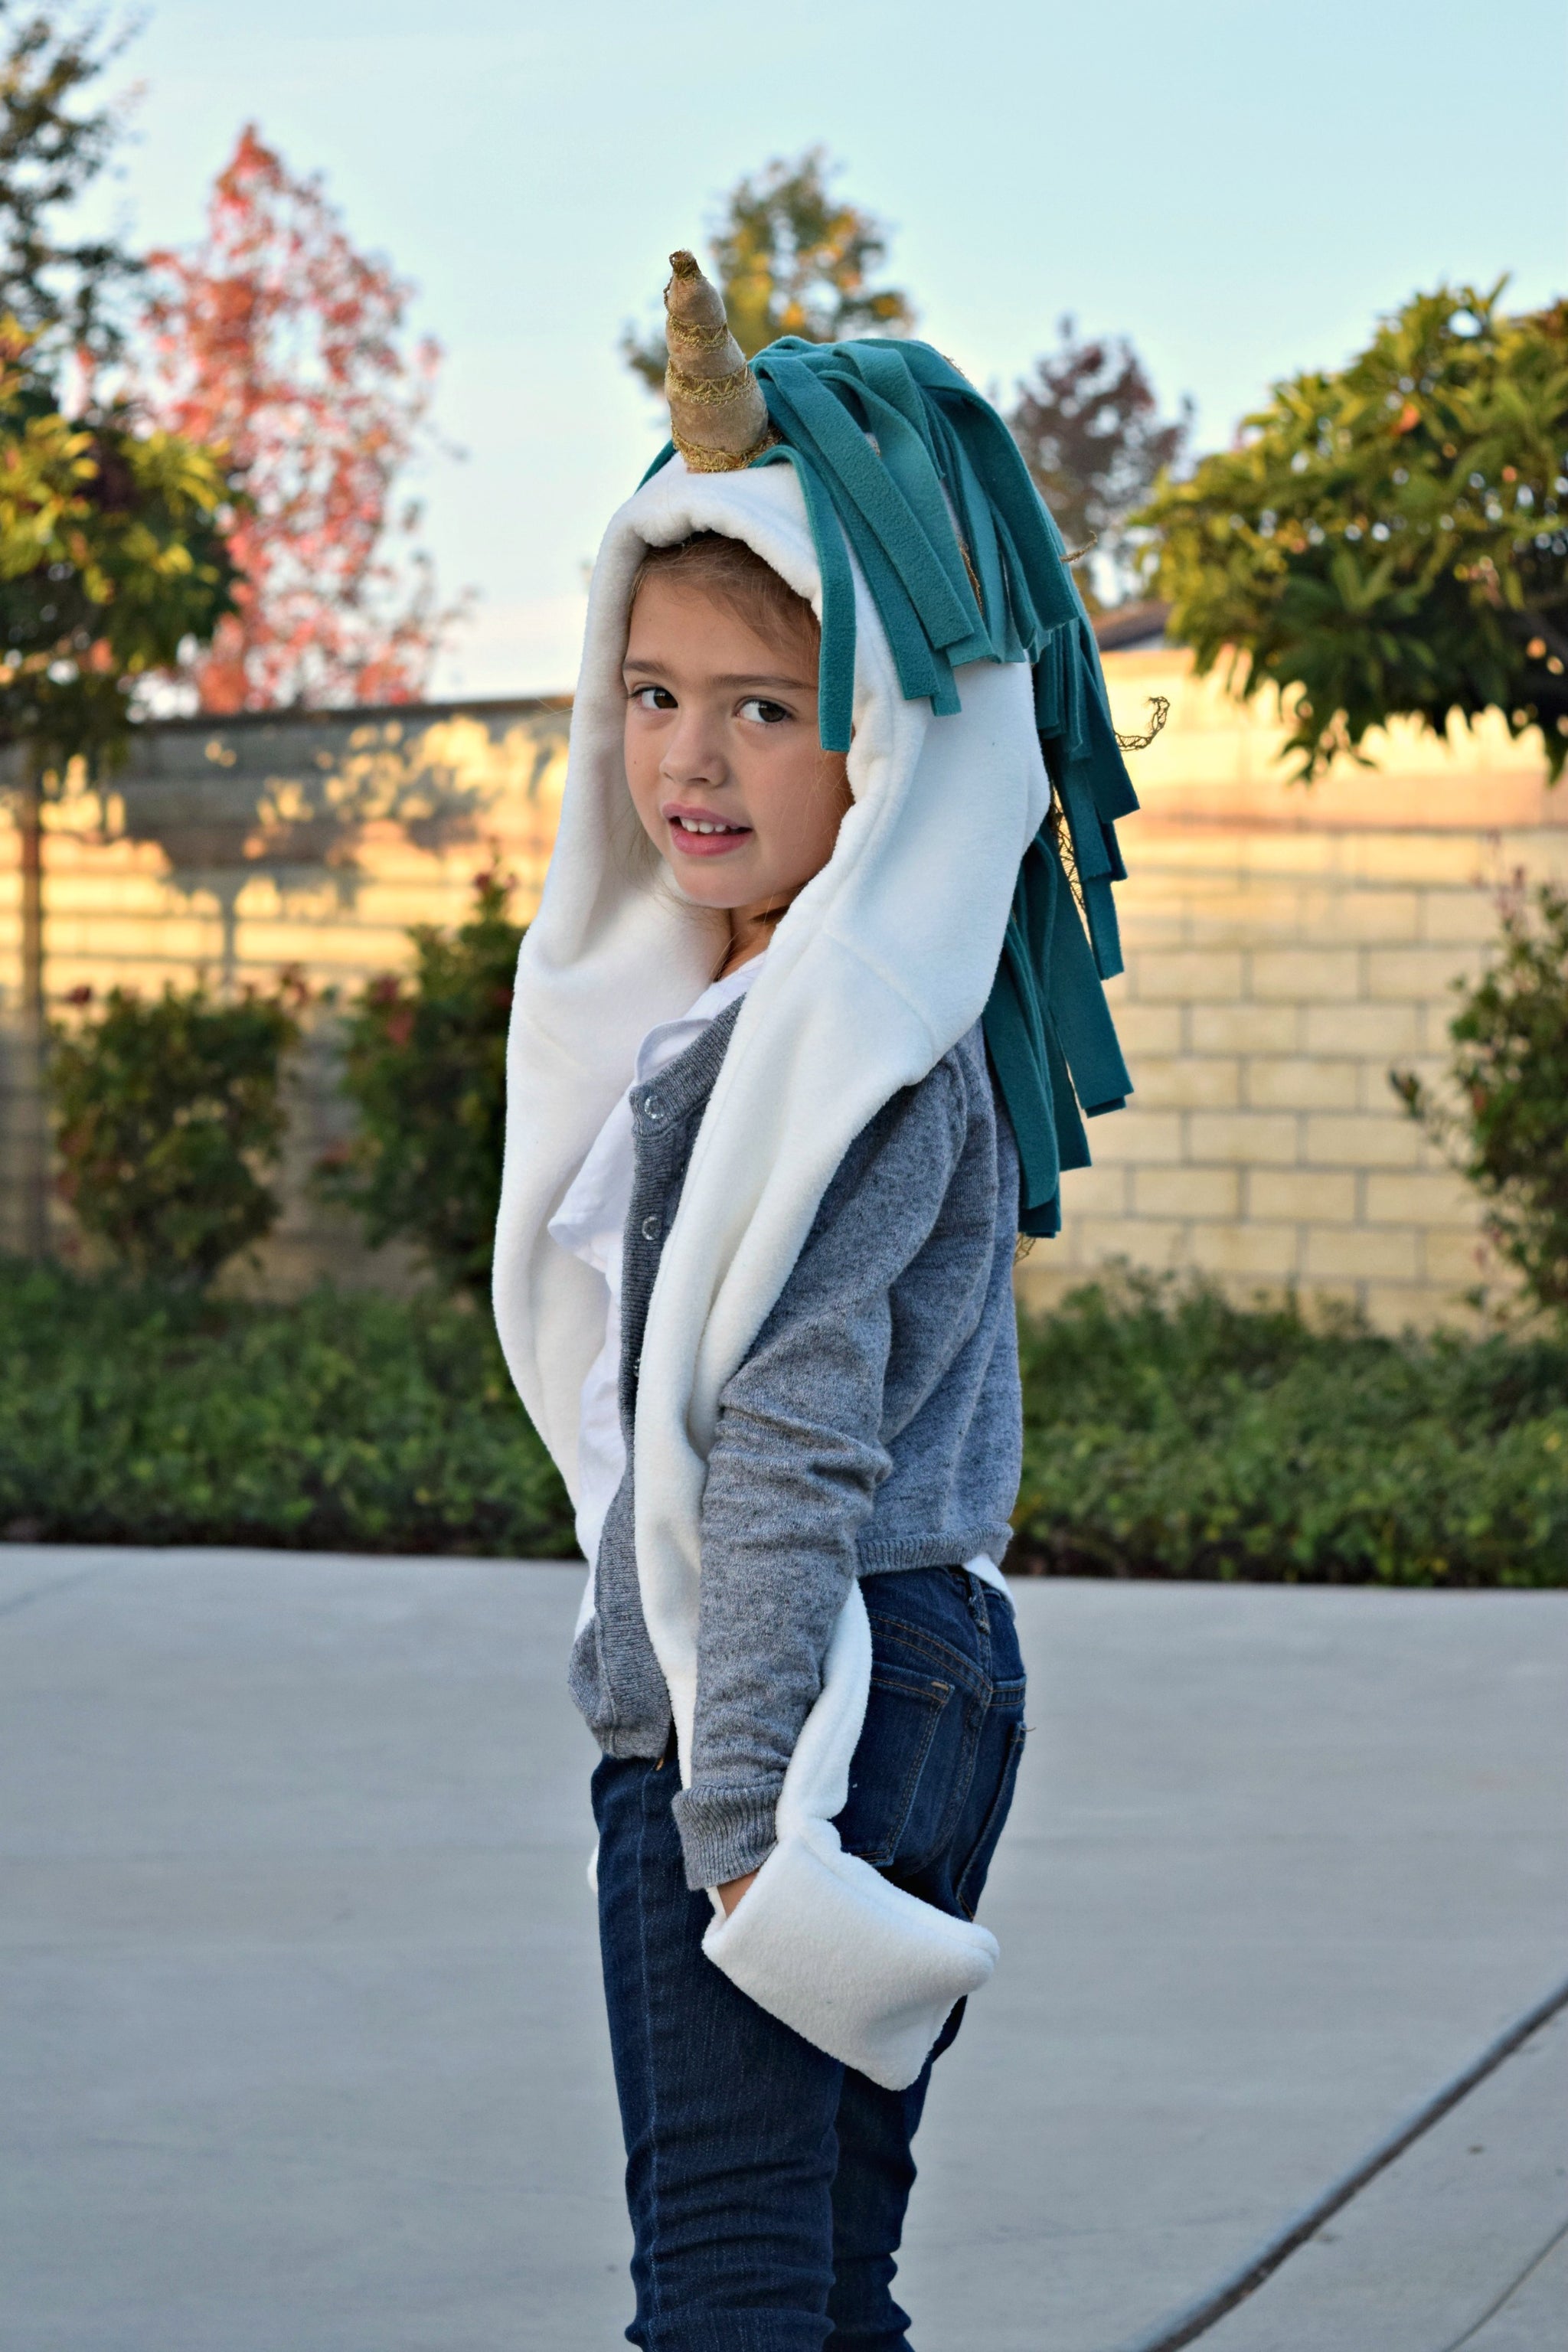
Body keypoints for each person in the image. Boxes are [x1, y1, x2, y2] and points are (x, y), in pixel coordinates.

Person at [493, 251, 1139, 2350]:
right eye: (652, 692)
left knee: (731, 2296)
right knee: (820, 2289)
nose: (690, 755)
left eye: (765, 708)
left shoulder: (840, 1046)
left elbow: (788, 1438)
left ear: (879, 739)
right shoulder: (783, 1019)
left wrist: (742, 1810)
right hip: (902, 1670)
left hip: (801, 1692)